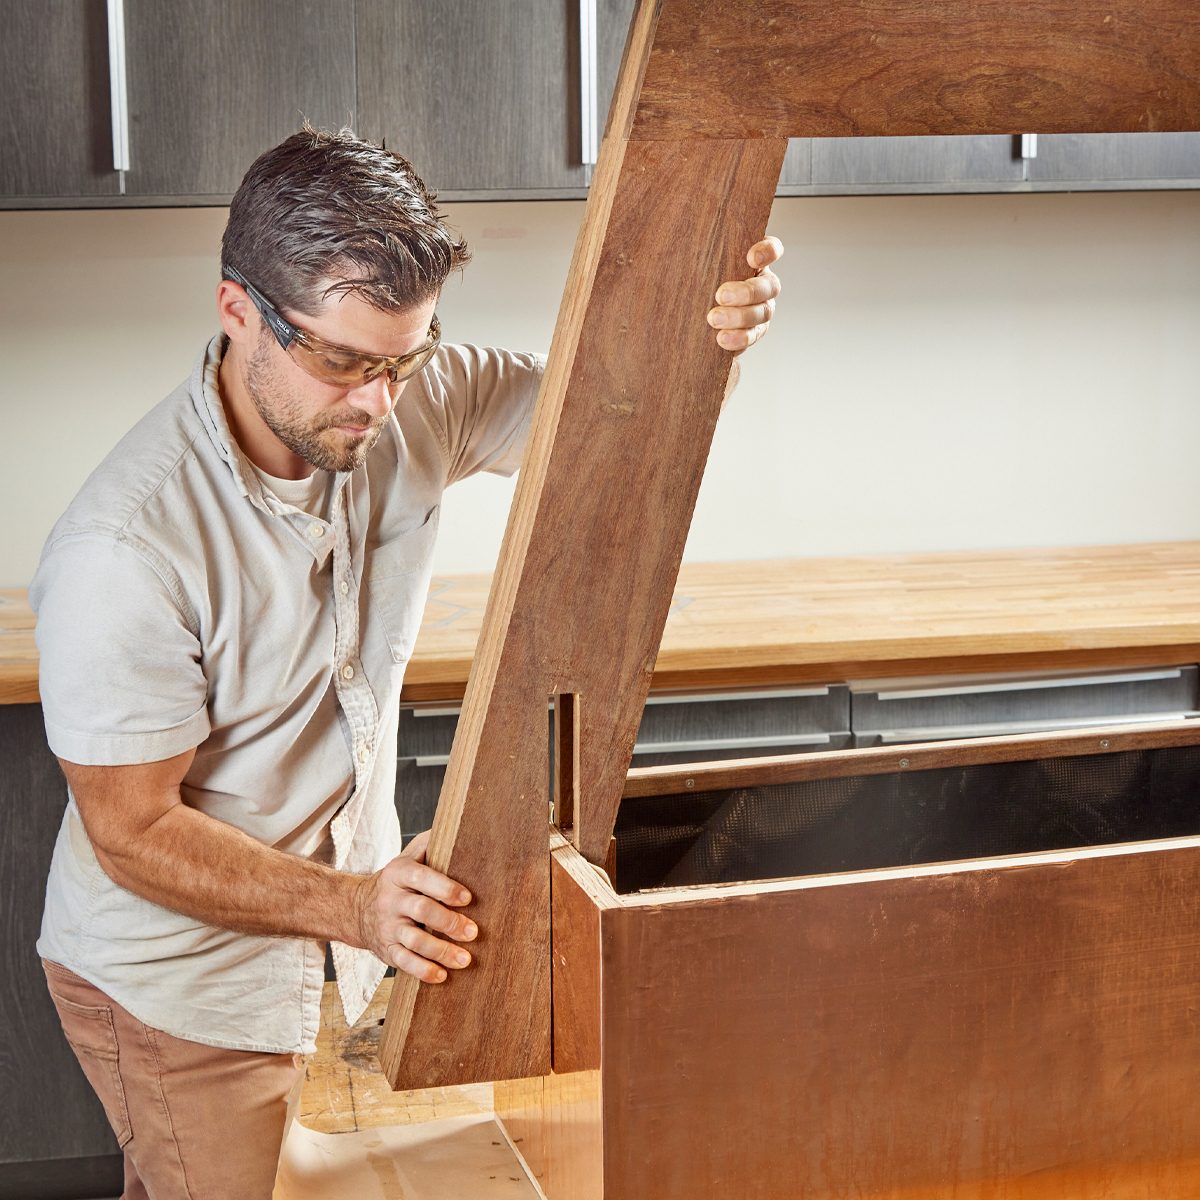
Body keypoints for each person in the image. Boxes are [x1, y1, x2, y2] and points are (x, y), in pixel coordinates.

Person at [30, 126, 783, 1199]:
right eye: (340, 361)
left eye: (404, 359)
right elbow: (132, 834)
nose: (377, 403)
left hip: (329, 946)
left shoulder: (407, 397)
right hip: (175, 987)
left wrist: (710, 335)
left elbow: (617, 421)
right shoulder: (128, 547)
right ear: (237, 310)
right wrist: (356, 909)